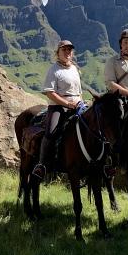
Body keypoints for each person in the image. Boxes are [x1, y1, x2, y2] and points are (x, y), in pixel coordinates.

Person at [32, 40, 83, 179]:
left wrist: (81, 102)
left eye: (69, 50)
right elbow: (50, 93)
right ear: (58, 53)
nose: (67, 52)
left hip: (77, 105)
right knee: (51, 132)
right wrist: (67, 103)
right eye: (64, 50)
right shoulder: (54, 69)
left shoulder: (74, 68)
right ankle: (42, 165)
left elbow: (78, 91)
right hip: (58, 107)